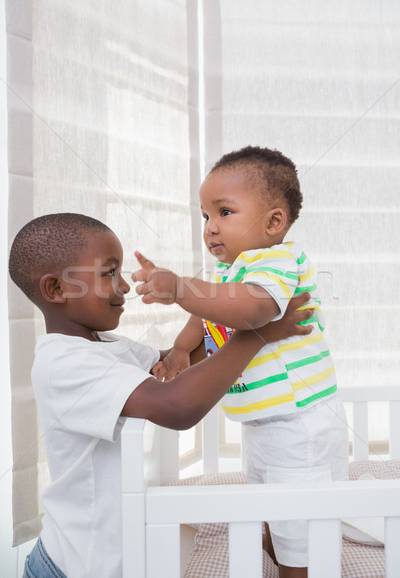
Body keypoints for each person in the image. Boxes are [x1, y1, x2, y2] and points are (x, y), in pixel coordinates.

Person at [8, 212, 313, 578]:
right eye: (108, 273)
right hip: (75, 567)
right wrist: (259, 334)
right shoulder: (63, 363)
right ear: (57, 289)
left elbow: (176, 366)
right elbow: (177, 406)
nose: (123, 286)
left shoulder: (102, 345)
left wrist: (239, 308)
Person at [133, 145, 349, 578]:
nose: (210, 228)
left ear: (274, 222)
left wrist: (178, 287)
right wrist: (180, 348)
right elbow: (208, 311)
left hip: (299, 422)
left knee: (299, 525)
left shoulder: (276, 262)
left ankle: (297, 565)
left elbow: (251, 310)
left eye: (224, 212)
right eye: (205, 216)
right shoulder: (230, 271)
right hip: (263, 421)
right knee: (266, 498)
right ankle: (279, 537)